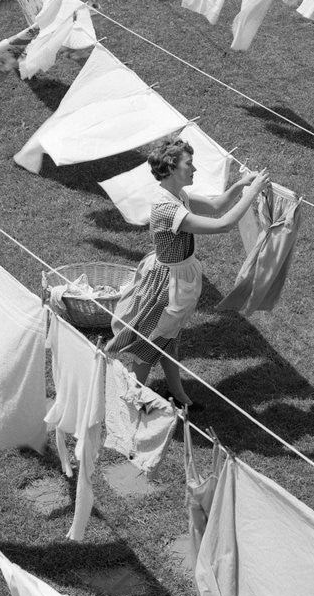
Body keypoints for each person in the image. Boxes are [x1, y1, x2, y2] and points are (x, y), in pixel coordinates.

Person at [105, 137, 270, 409]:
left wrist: (241, 185)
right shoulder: (167, 209)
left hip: (178, 276)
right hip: (168, 284)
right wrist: (252, 192)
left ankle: (178, 393)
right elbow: (223, 225)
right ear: (171, 168)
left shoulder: (177, 195)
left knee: (170, 337)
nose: (194, 169)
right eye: (189, 164)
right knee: (151, 344)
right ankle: (131, 402)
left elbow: (217, 206)